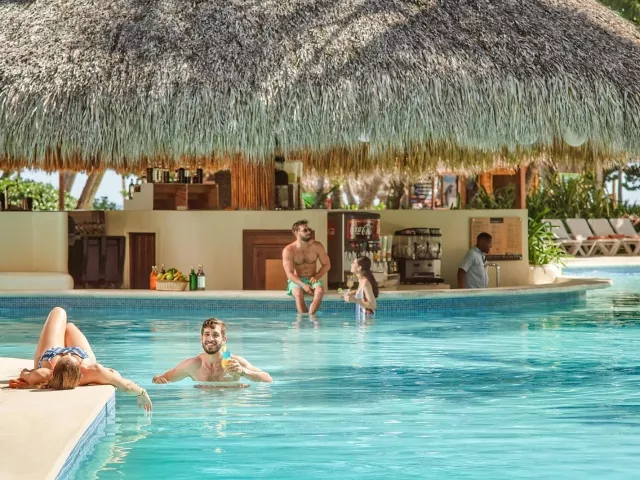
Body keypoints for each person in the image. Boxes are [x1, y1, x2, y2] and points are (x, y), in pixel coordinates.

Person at [8, 307, 152, 411]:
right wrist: (142, 392)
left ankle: (58, 355)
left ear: (54, 368)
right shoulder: (92, 371)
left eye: (65, 356)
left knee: (59, 311)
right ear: (81, 370)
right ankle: (70, 348)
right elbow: (126, 386)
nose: (67, 353)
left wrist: (28, 376)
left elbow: (24, 373)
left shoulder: (44, 374)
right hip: (81, 354)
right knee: (69, 327)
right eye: (70, 355)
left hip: (51, 354)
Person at [152, 318, 273, 385]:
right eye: (206, 334)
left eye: (215, 335)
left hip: (230, 411)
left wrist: (243, 372)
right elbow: (162, 379)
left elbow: (268, 379)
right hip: (203, 412)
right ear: (201, 338)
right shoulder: (193, 365)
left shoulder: (234, 362)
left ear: (224, 339)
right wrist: (157, 379)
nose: (210, 339)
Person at [282, 219, 331, 314]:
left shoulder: (317, 246)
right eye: (305, 230)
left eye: (309, 229)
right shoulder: (289, 250)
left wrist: (316, 277)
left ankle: (310, 317)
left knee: (320, 290)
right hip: (297, 280)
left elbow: (327, 265)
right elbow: (289, 274)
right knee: (298, 293)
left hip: (312, 278)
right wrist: (303, 285)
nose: (308, 232)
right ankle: (303, 319)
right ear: (296, 232)